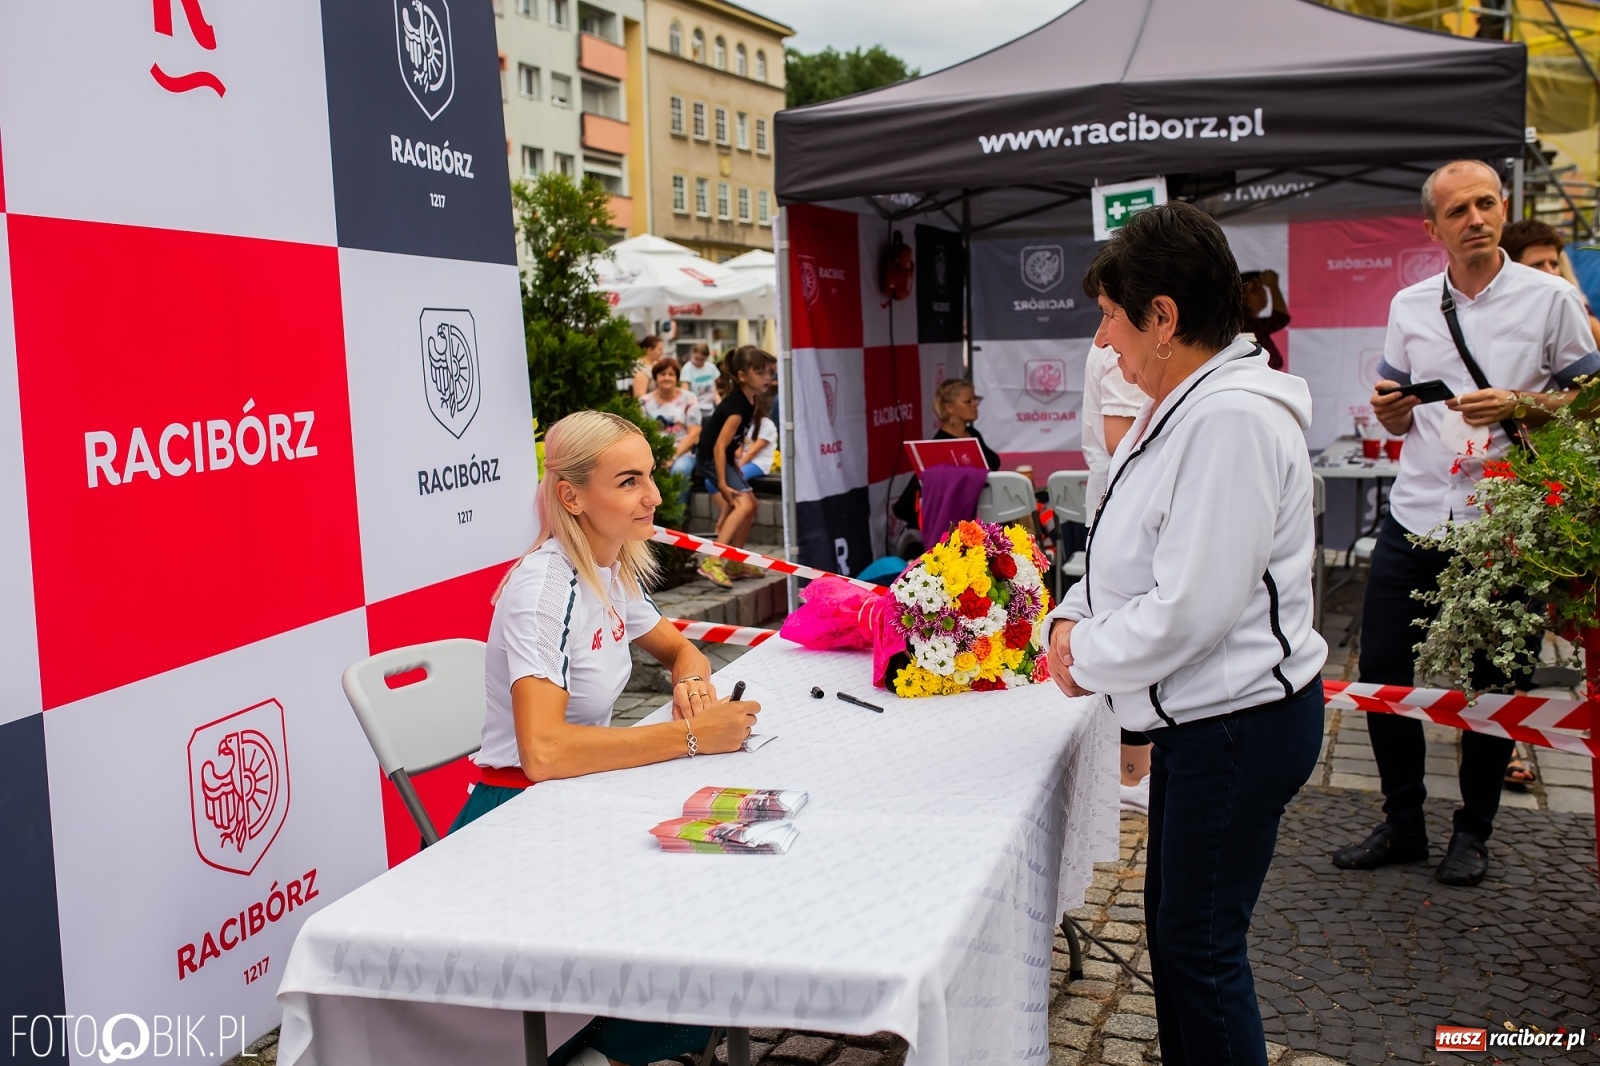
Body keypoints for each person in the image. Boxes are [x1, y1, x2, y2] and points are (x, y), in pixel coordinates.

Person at [1046, 202, 1327, 1066]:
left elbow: (1193, 607)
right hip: (1205, 721)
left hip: (1237, 724)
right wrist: (1070, 615)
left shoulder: (1229, 419)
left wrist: (1083, 656)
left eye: (1110, 318)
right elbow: (1127, 547)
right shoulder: (1187, 402)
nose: (1103, 344)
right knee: (1176, 938)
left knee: (1200, 951)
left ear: (1162, 318)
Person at [453, 410, 761, 1066]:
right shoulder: (545, 586)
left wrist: (692, 686)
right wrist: (693, 740)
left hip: (569, 802)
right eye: (629, 481)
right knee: (687, 896)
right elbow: (544, 752)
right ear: (572, 496)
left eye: (650, 475)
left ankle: (648, 1039)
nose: (654, 495)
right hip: (512, 822)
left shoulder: (608, 566)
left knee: (707, 875)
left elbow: (683, 652)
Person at [1333, 160, 1598, 886]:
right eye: (1459, 211)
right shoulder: (1410, 304)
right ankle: (1403, 822)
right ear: (1433, 228)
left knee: (1494, 684)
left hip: (1506, 523)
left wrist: (1521, 403)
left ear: (1504, 208)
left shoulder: (1551, 299)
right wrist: (1390, 408)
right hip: (1418, 511)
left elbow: (1592, 402)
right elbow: (1395, 394)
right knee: (1383, 672)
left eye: (1486, 203)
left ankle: (1474, 831)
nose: (1476, 218)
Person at [1079, 342, 1152, 814]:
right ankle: (1132, 773)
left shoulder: (1134, 342)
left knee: (1133, 639)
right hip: (1125, 517)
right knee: (1133, 643)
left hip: (1123, 517)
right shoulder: (1124, 347)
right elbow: (1120, 440)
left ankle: (1133, 766)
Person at [694, 346, 775, 587]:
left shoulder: (749, 401)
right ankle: (712, 561)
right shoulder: (737, 408)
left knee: (750, 506)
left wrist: (735, 468)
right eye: (760, 373)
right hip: (710, 458)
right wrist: (721, 482)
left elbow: (733, 443)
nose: (767, 378)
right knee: (743, 503)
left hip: (725, 459)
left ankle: (734, 561)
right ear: (742, 376)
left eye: (769, 372)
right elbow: (719, 447)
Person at [891, 379, 1002, 527]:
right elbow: (906, 504)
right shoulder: (940, 447)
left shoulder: (972, 433)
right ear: (949, 408)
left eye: (975, 399)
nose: (975, 404)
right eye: (968, 401)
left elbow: (991, 463)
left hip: (983, 518)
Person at [1500, 218, 1600, 347]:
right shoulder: (1493, 312)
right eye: (1537, 265)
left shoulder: (1569, 306)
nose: (1551, 272)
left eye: (1554, 264)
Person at [639, 357, 701, 511]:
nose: (667, 378)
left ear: (677, 378)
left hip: (683, 451)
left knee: (679, 471)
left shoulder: (689, 398)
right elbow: (641, 433)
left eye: (671, 374)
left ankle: (676, 516)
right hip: (654, 452)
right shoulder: (644, 402)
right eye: (662, 374)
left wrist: (672, 456)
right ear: (656, 378)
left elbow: (694, 433)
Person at [1240, 269, 1291, 371]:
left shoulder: (1249, 325)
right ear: (1242, 297)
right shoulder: (1246, 326)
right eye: (1255, 289)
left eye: (1262, 288)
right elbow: (1280, 318)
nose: (1262, 293)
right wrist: (1273, 286)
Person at [679, 342, 721, 417]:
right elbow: (684, 392)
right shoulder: (687, 369)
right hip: (695, 408)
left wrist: (720, 406)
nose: (698, 362)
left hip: (710, 407)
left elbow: (715, 391)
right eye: (696, 359)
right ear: (693, 355)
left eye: (702, 359)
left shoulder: (710, 367)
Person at [737, 413, 778, 481]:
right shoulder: (745, 423)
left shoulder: (767, 425)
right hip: (742, 461)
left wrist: (737, 468)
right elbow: (738, 454)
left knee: (734, 479)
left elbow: (752, 453)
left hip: (758, 463)